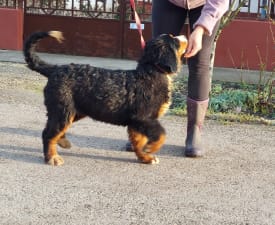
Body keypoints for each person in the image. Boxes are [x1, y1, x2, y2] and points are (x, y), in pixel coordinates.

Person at [152, 0, 229, 157]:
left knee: (200, 63)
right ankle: (145, 126)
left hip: (204, 4)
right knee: (159, 58)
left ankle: (195, 130)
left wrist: (200, 29)